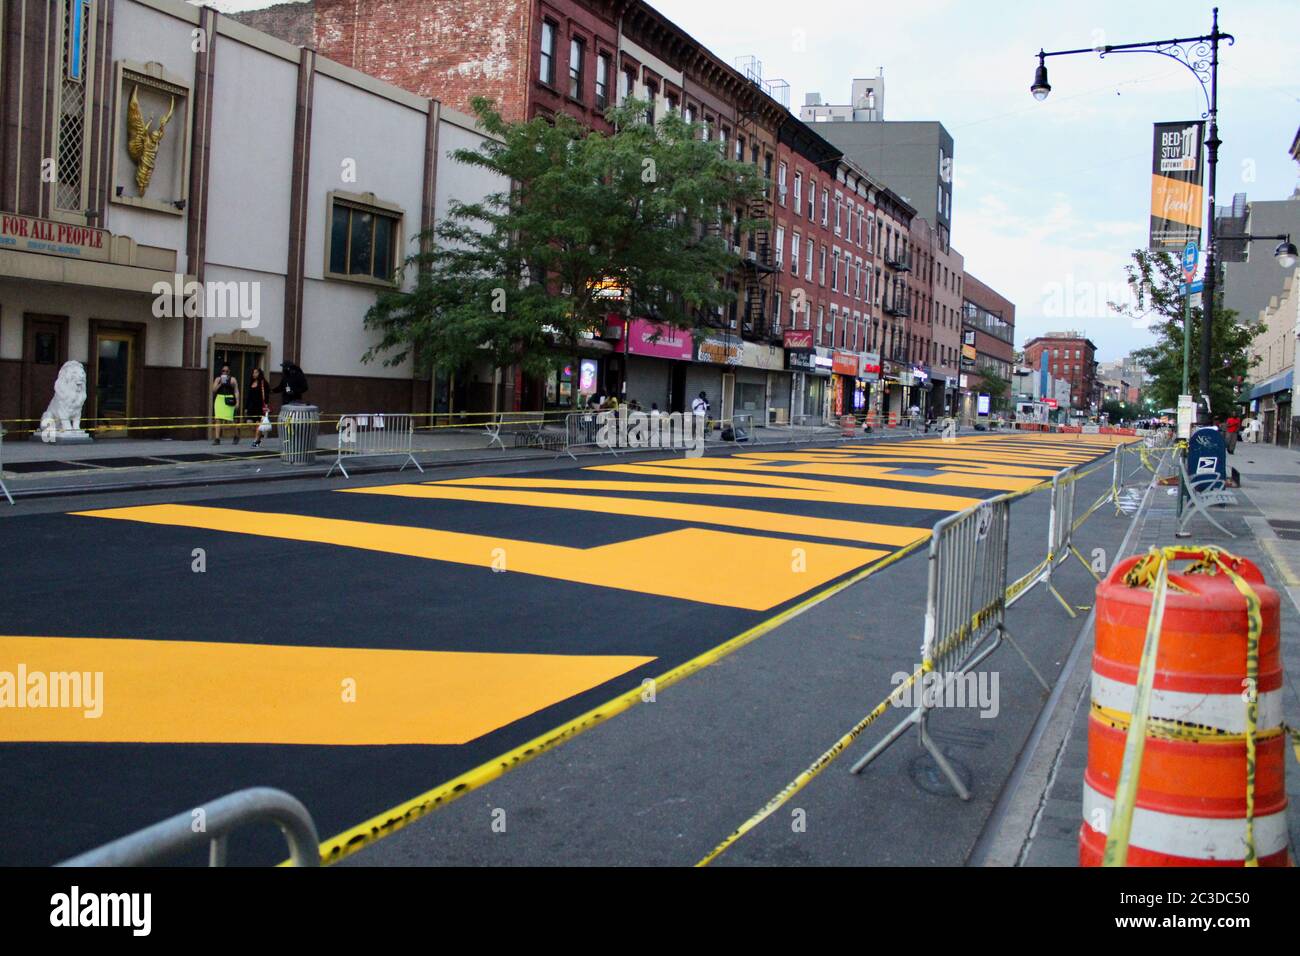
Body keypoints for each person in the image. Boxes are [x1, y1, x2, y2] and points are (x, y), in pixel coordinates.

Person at [210, 364, 239, 445]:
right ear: (221, 371)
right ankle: (217, 438)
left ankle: (236, 435)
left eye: (227, 371)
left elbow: (236, 391)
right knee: (217, 419)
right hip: (219, 399)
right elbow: (213, 390)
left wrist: (237, 402)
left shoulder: (233, 379)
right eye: (223, 371)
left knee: (231, 419)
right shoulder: (218, 379)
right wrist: (220, 384)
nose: (225, 372)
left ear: (229, 372)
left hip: (229, 399)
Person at [246, 366, 271, 448]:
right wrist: (246, 407)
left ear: (260, 373)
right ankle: (259, 435)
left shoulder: (263, 383)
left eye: (256, 372)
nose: (254, 374)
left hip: (260, 406)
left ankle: (256, 441)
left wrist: (266, 405)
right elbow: (249, 396)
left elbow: (267, 395)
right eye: (253, 372)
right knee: (249, 423)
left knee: (258, 424)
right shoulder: (251, 382)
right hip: (251, 407)